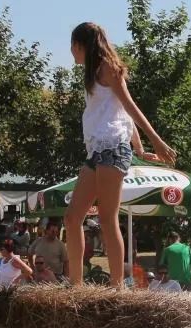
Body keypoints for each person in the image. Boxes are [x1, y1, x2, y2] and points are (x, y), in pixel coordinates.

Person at [64, 22, 176, 286]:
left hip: (112, 148)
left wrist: (156, 142)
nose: (70, 51)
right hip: (97, 150)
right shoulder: (93, 73)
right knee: (71, 218)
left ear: (82, 45)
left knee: (106, 217)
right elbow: (120, 113)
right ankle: (76, 286)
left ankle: (117, 287)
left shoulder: (108, 69)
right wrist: (139, 149)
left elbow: (131, 106)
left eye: (73, 46)